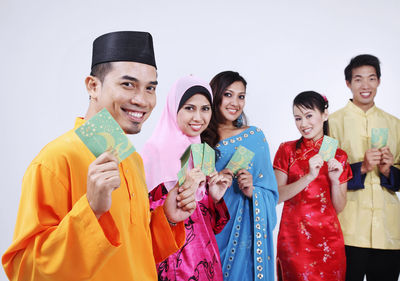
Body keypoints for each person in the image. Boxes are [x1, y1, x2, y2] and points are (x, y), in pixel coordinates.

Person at [2, 31, 199, 281]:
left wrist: (167, 219)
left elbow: (132, 254)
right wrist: (90, 210)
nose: (142, 99)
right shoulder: (55, 159)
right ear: (93, 86)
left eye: (150, 88)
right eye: (128, 84)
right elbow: (25, 272)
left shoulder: (131, 158)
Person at [141, 75, 233, 280]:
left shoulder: (201, 152)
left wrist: (214, 197)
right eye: (190, 108)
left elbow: (211, 226)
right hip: (172, 261)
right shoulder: (154, 151)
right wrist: (179, 194)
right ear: (174, 108)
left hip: (205, 261)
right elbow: (141, 220)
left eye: (205, 109)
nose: (198, 117)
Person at [201, 71, 279, 281]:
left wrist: (253, 191)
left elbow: (271, 194)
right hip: (207, 233)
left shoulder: (254, 137)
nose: (235, 102)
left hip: (244, 239)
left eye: (241, 96)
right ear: (215, 95)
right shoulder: (199, 137)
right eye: (228, 94)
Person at [329, 54, 400, 281]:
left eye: (371, 78)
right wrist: (361, 168)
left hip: (389, 232)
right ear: (348, 84)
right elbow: (323, 176)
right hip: (348, 230)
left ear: (379, 81)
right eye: (358, 79)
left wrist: (389, 170)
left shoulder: (395, 124)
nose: (365, 85)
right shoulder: (331, 123)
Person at [273, 91, 352, 281]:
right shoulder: (287, 150)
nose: (303, 124)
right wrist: (308, 177)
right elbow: (277, 195)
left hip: (329, 240)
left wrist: (334, 180)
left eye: (309, 116)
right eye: (298, 118)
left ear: (324, 115)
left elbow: (339, 207)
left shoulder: (338, 155)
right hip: (294, 240)